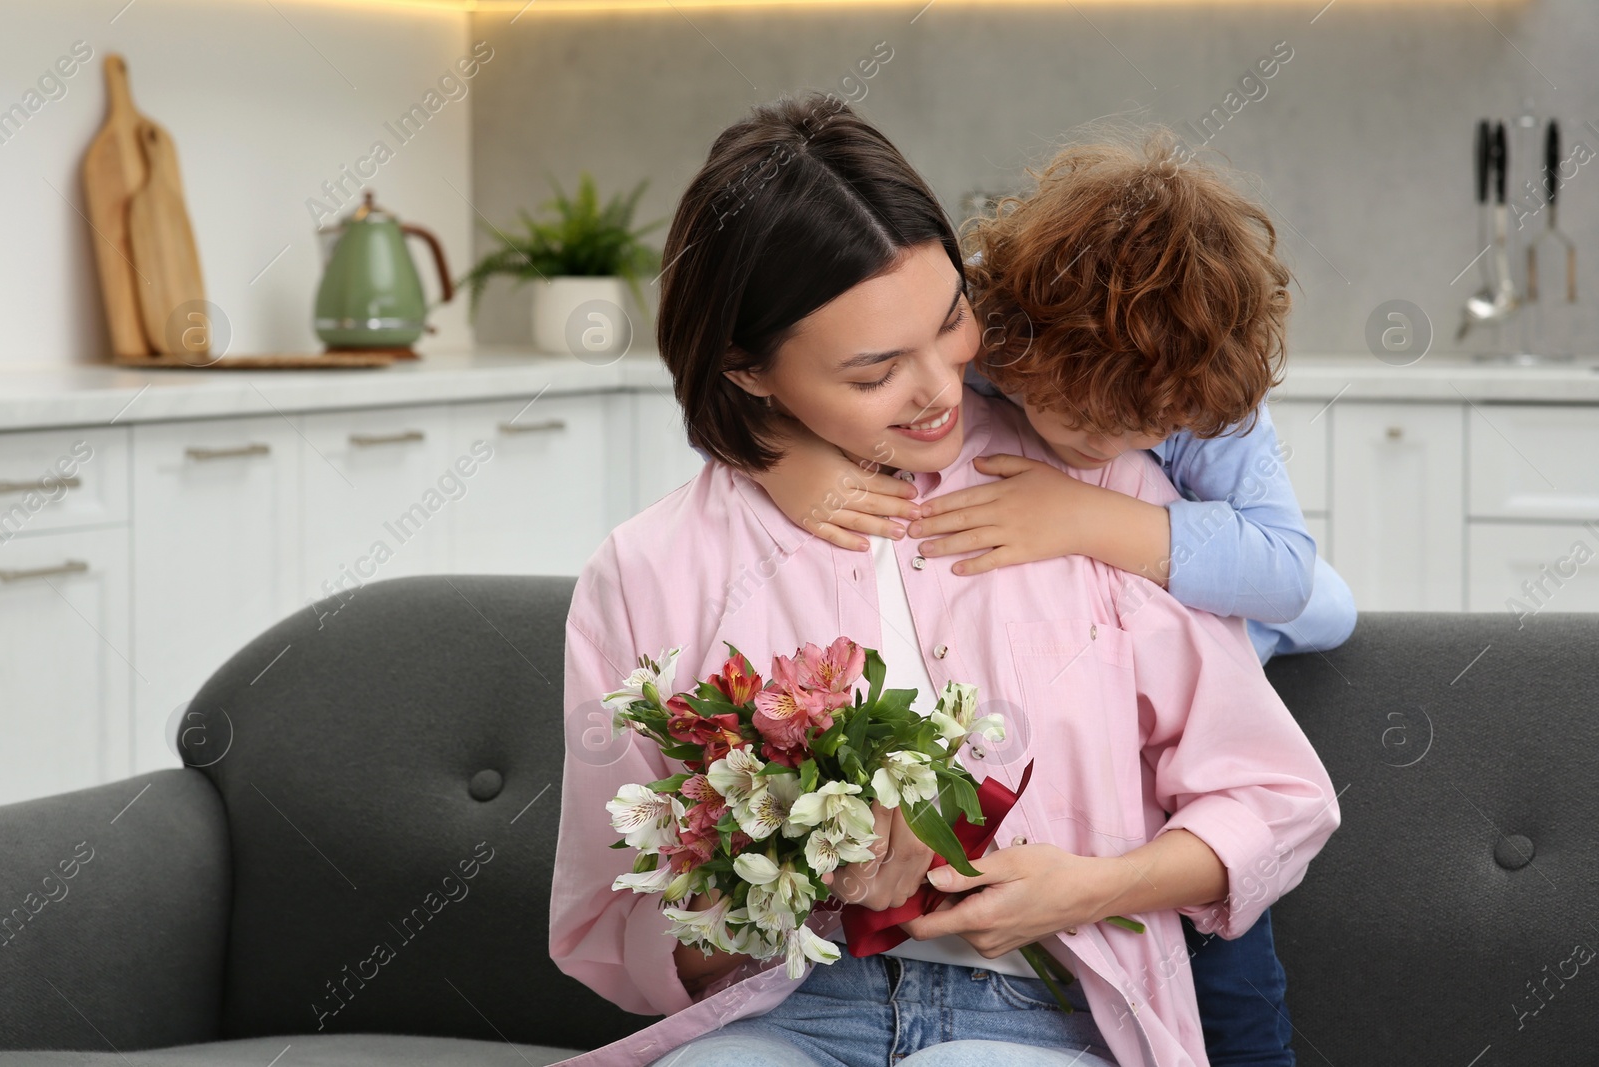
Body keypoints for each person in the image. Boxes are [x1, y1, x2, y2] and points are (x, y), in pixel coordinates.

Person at [549, 93, 1340, 1067]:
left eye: (952, 323)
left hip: (1036, 1008)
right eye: (876, 369)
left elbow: (1275, 789)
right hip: (784, 1008)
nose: (941, 389)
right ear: (749, 370)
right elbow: (623, 919)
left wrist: (1086, 886)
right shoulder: (651, 566)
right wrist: (777, 879)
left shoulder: (1093, 479)